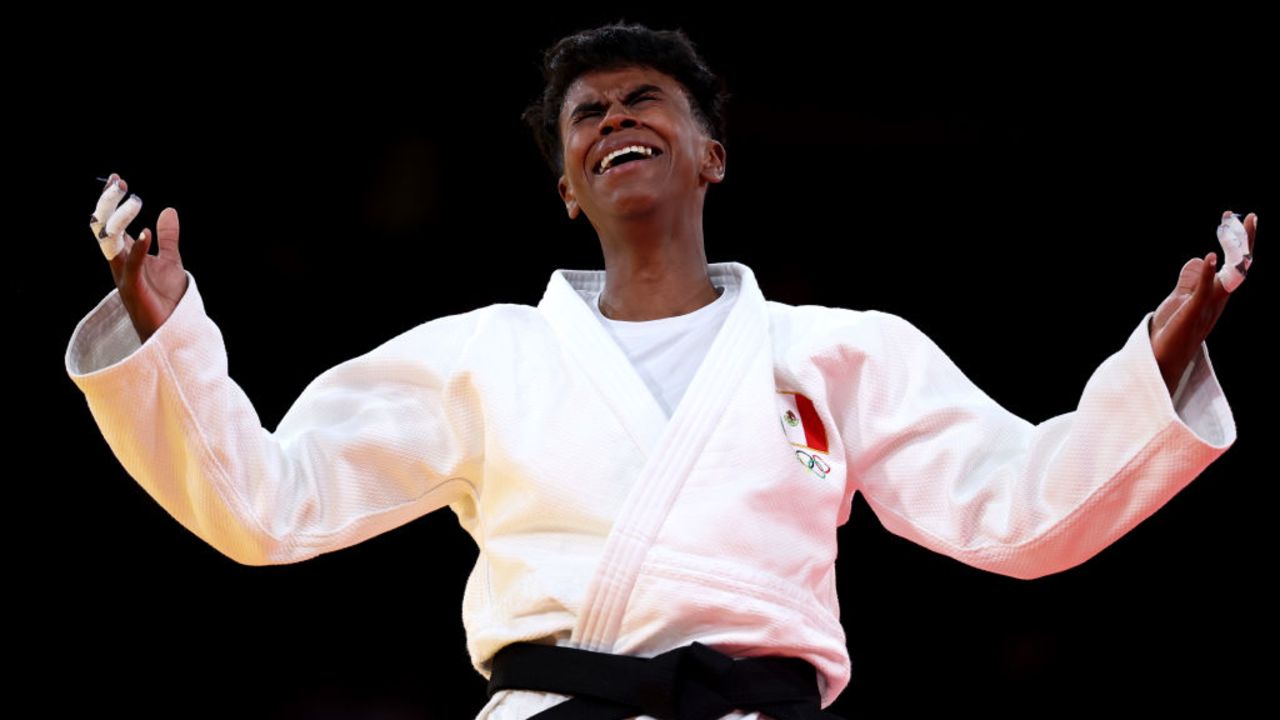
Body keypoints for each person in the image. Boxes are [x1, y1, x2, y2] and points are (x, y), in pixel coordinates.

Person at [65, 20, 1254, 720]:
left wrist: (1154, 362)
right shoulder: (484, 357)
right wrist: (177, 345)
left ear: (710, 155)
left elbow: (1022, 511)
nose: (610, 118)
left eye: (644, 100)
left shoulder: (835, 351)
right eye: (585, 116)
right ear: (566, 186)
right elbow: (269, 506)